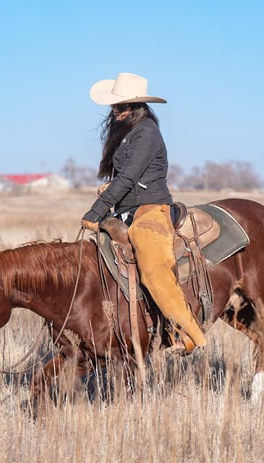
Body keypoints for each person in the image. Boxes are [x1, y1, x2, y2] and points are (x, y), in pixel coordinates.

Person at [81, 72, 206, 354]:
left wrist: (96, 211)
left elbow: (129, 178)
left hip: (151, 210)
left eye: (121, 106)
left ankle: (190, 335)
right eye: (114, 105)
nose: (115, 110)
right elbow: (125, 177)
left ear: (136, 106)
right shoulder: (128, 132)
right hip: (127, 211)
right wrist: (109, 192)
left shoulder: (146, 132)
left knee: (153, 271)